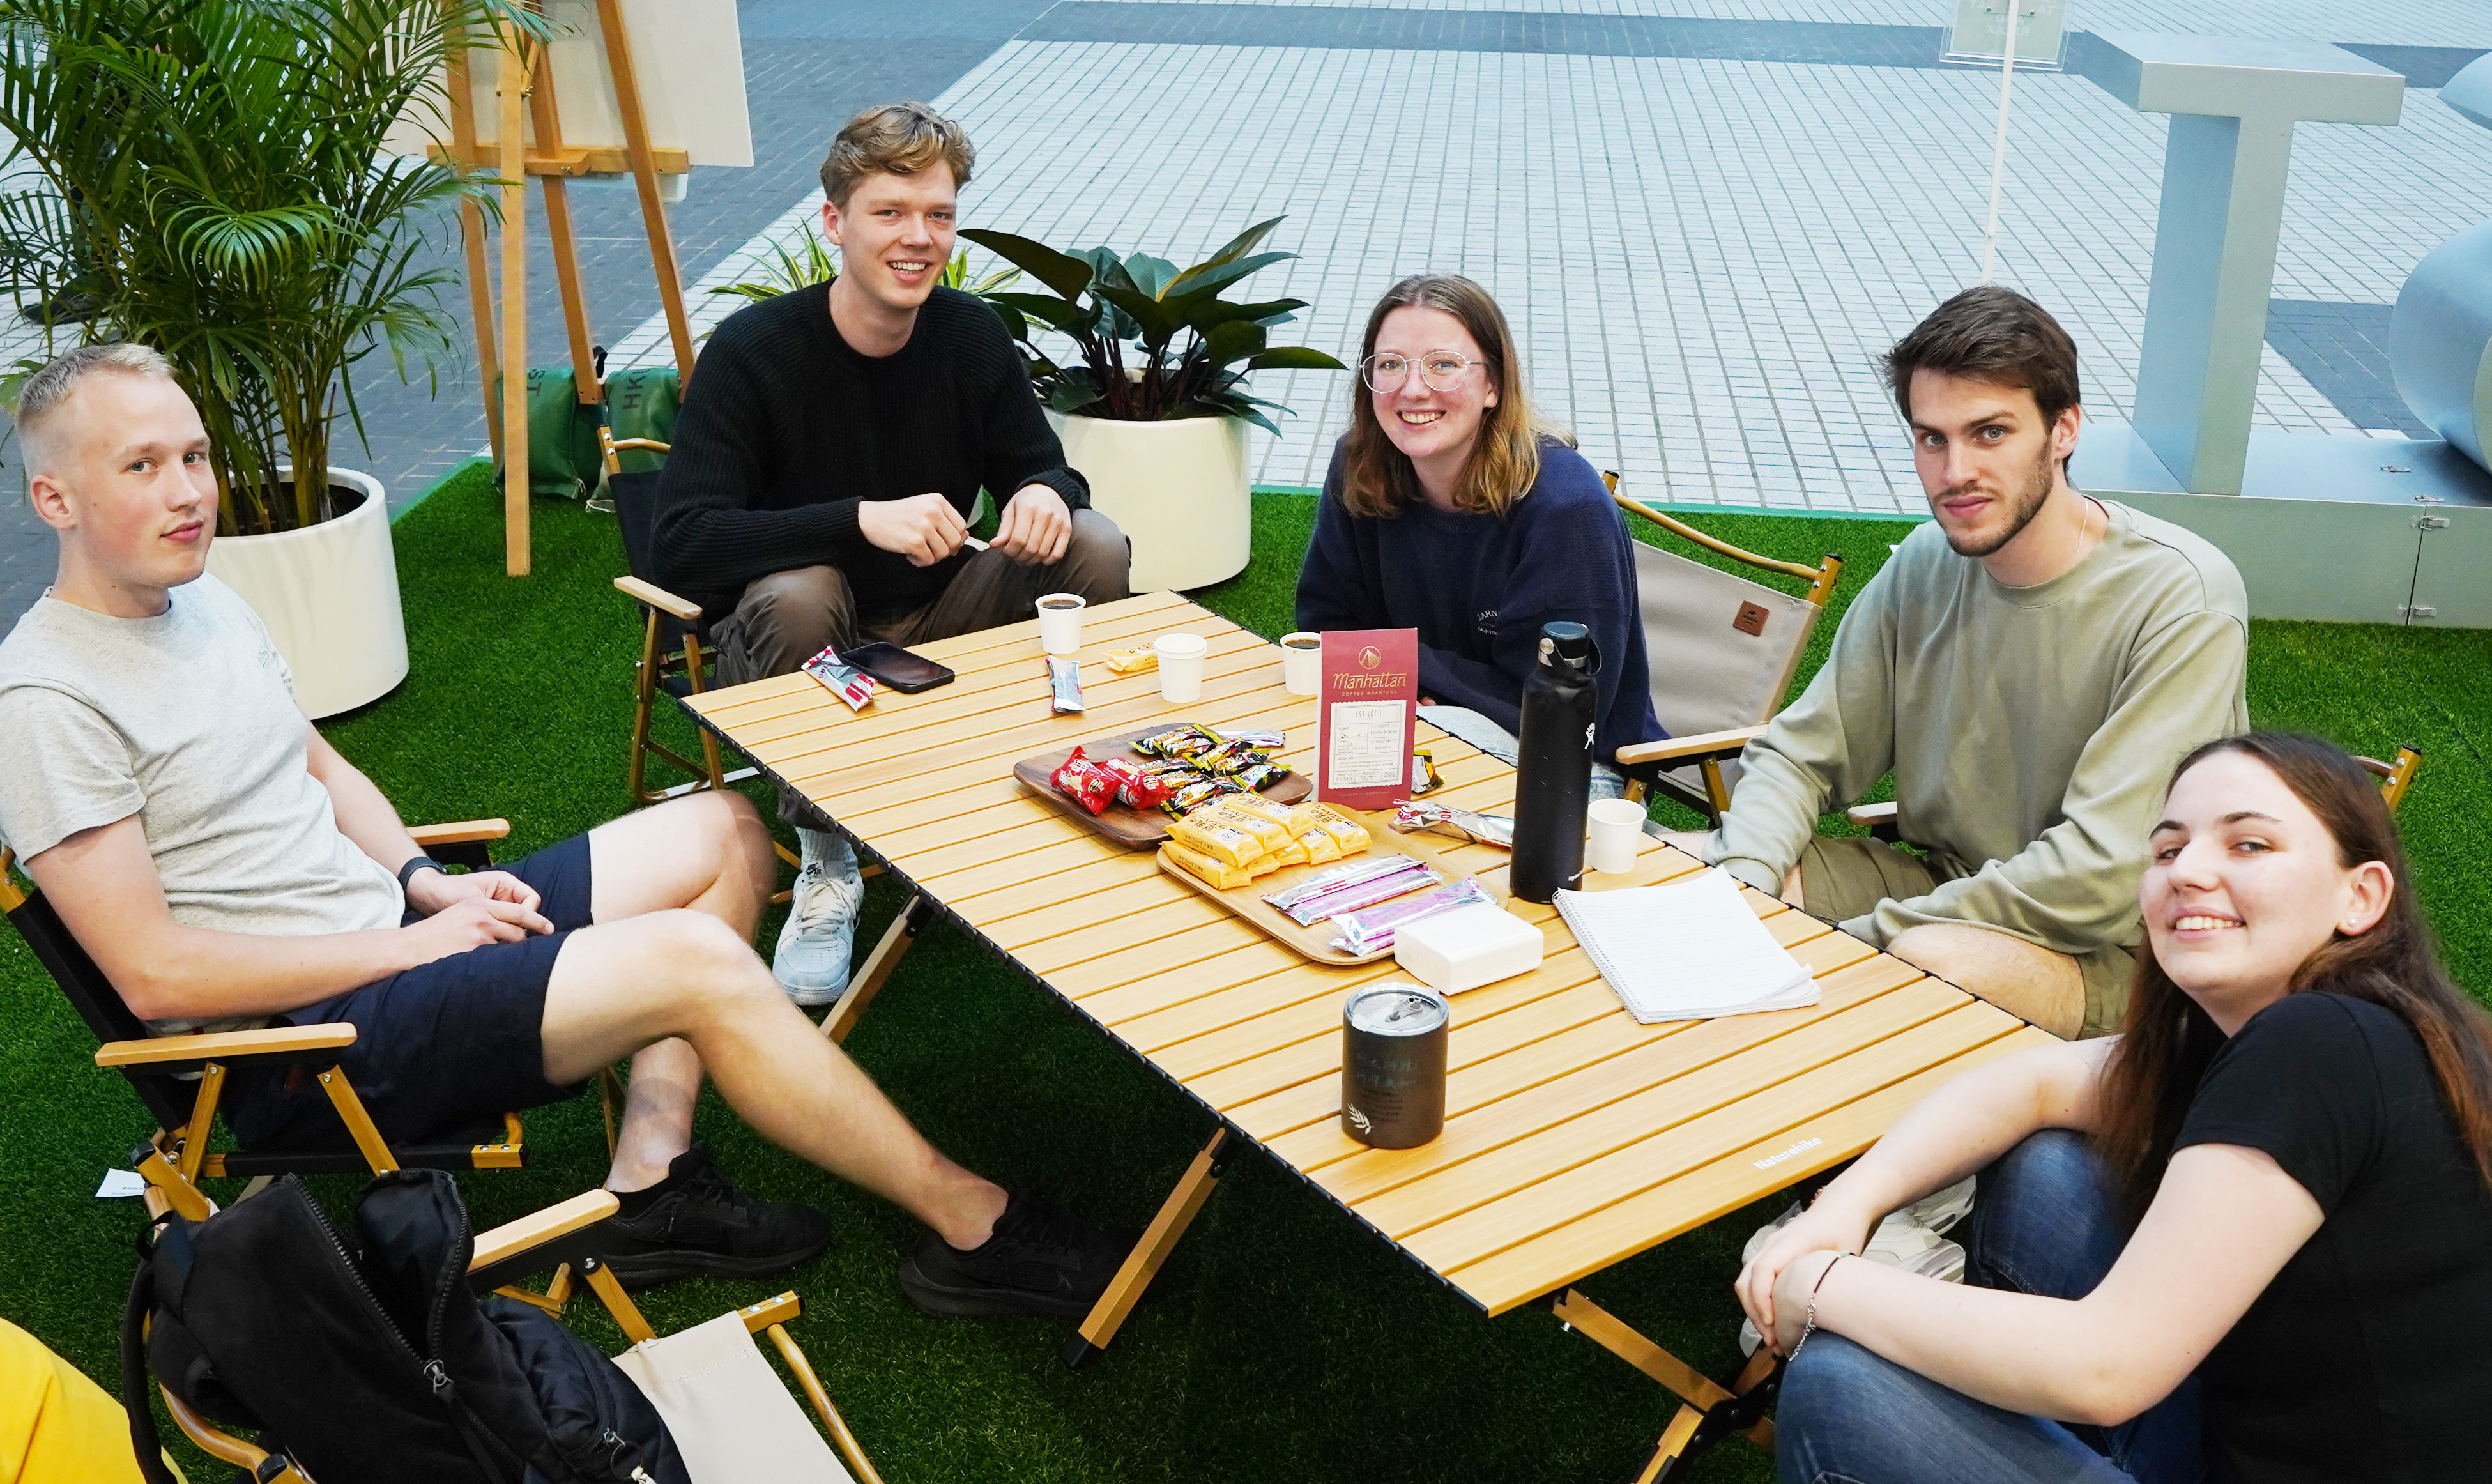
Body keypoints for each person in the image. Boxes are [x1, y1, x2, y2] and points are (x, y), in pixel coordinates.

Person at [0, 343, 1133, 1319]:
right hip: (308, 1045)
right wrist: (408, 945)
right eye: (141, 466)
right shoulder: (49, 701)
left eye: (192, 456)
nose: (187, 490)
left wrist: (420, 881)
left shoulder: (201, 594)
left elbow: (317, 759)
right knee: (692, 957)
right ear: (56, 499)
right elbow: (152, 975)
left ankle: (654, 1180)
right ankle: (971, 1225)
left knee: (726, 828)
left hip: (387, 936)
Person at [1740, 731, 2492, 1483]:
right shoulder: (2352, 1025)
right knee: (2050, 1165)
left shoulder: (2318, 1042)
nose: (2189, 871)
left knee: (1844, 1387)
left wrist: (1822, 1285)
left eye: (2250, 844)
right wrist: (1842, 1209)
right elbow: (2033, 1083)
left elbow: (2106, 1367)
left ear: (2359, 896)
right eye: (2168, 850)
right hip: (2267, 1426)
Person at [648, 101, 1131, 1006]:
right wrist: (857, 518)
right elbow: (680, 545)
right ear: (835, 221)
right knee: (801, 588)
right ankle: (828, 856)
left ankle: (1059, 790)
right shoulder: (753, 352)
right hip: (808, 645)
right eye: (891, 213)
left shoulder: (970, 333)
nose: (919, 238)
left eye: (938, 215)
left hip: (941, 629)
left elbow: (1046, 468)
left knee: (1094, 544)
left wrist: (1042, 492)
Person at [1673, 286, 2249, 1038]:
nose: (1954, 471)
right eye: (1932, 438)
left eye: (1989, 433)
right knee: (1682, 866)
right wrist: (1743, 884)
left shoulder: (2181, 597)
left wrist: (1864, 935)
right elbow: (1800, 755)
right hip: (1952, 886)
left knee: (1928, 957)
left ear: (2063, 429)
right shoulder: (1925, 561)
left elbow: (2101, 878)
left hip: (2132, 948)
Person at [1294, 274, 1663, 798]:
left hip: (1569, 762)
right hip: (1407, 721)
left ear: (1492, 385)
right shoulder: (1359, 464)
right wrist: (1408, 689)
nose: (1413, 388)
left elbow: (1555, 702)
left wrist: (1404, 672)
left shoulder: (1565, 508)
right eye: (1390, 363)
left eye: (1443, 364)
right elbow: (1327, 622)